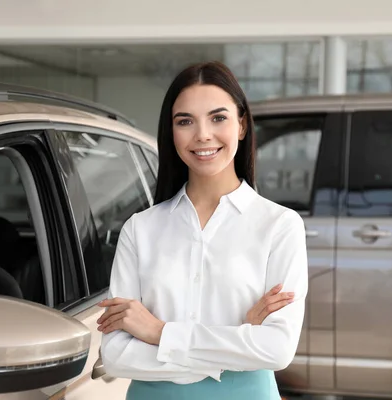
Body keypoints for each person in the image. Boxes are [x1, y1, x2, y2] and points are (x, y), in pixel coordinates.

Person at [97, 61, 308, 400]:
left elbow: (277, 350)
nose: (203, 135)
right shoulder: (141, 229)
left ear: (241, 125)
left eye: (218, 117)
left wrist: (158, 332)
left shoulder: (279, 226)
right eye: (185, 121)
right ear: (171, 132)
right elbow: (117, 357)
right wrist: (239, 339)